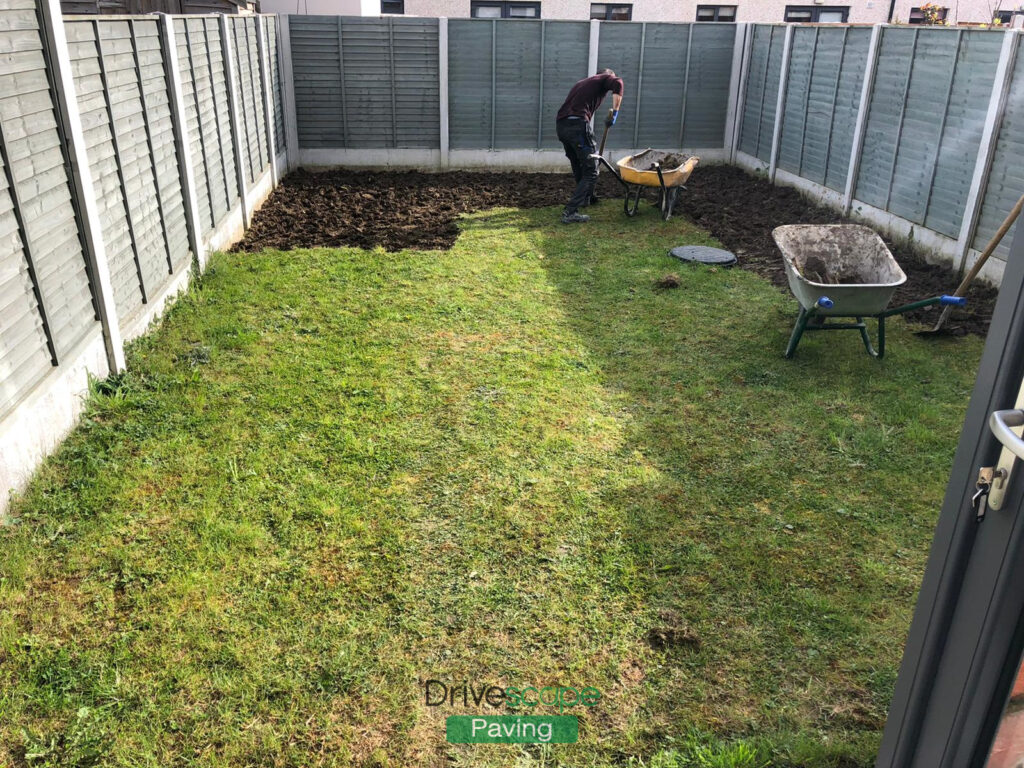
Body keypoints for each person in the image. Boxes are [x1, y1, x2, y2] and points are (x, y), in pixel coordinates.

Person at [555, 69, 624, 224]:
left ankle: (586, 198)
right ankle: (570, 212)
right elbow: (618, 82)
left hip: (562, 126)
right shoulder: (606, 78)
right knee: (592, 170)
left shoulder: (582, 83)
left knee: (578, 164)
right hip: (577, 125)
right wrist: (614, 114)